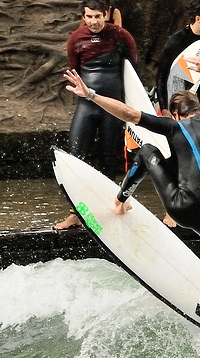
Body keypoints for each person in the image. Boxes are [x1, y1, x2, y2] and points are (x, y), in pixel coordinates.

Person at [63, 55, 200, 325]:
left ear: (176, 114)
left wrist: (90, 95)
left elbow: (130, 114)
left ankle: (121, 201)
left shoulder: (175, 126)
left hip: (182, 208)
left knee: (147, 151)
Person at [56, 1, 134, 232]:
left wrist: (130, 110)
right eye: (89, 16)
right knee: (75, 157)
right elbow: (75, 71)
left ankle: (108, 210)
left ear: (107, 14)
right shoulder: (76, 39)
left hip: (113, 106)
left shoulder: (121, 36)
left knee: (108, 158)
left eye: (98, 16)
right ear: (83, 16)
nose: (93, 21)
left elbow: (133, 73)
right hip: (87, 107)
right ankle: (75, 214)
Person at [155, 0, 200, 116]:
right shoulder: (176, 41)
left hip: (195, 100)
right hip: (173, 105)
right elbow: (161, 76)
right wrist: (164, 108)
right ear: (198, 19)